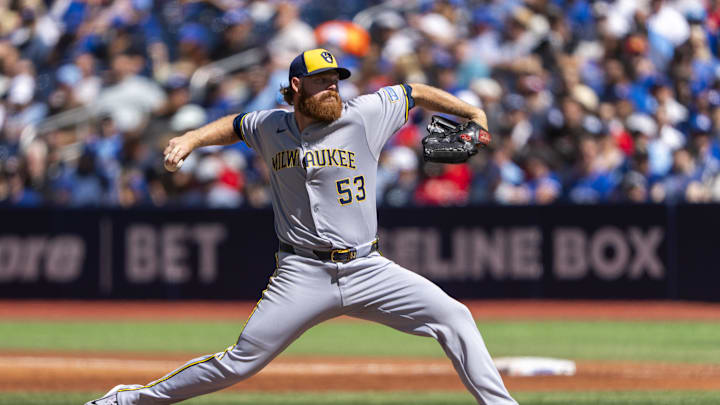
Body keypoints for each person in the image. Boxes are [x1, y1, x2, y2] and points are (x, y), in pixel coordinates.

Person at [86, 48, 517, 405]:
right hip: (301, 273)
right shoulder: (272, 125)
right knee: (240, 361)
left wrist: (472, 109)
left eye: (336, 79)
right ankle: (128, 400)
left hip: (368, 268)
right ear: (297, 86)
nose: (332, 87)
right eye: (322, 80)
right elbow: (235, 125)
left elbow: (415, 91)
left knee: (455, 317)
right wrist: (191, 138)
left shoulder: (365, 113)